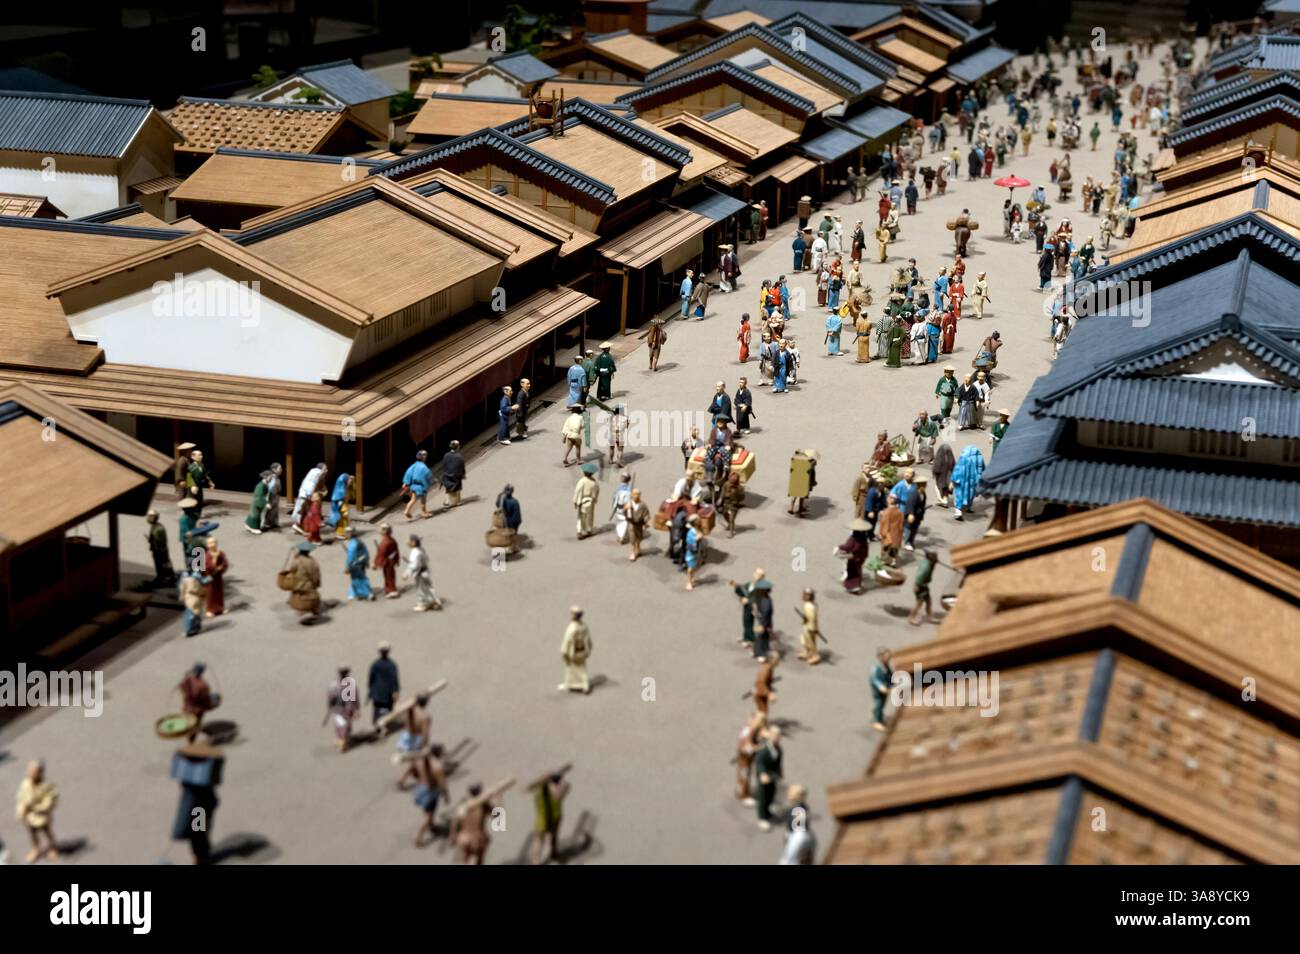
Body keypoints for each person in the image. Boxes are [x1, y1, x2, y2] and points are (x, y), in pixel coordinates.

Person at [16, 760, 58, 862]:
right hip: (30, 816)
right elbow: (21, 798)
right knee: (33, 833)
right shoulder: (25, 784)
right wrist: (20, 811)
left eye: (35, 771)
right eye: (30, 771)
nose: (32, 773)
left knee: (47, 832)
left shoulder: (46, 785)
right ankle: (35, 849)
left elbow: (51, 799)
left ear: (40, 772)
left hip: (42, 815)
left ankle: (52, 847)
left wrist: (41, 807)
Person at [411, 745, 448, 848]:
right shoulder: (438, 767)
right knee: (427, 816)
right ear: (439, 754)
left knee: (428, 812)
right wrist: (446, 796)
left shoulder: (421, 761)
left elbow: (413, 771)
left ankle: (431, 825)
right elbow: (442, 784)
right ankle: (418, 837)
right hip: (431, 793)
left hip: (420, 788)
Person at [530, 771, 571, 865]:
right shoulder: (561, 789)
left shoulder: (541, 791)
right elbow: (564, 790)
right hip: (555, 817)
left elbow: (534, 786)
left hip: (542, 818)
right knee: (553, 837)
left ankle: (536, 861)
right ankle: (554, 853)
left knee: (538, 841)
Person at [754, 725, 783, 831]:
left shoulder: (778, 748)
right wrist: (762, 774)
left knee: (771, 794)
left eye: (779, 736)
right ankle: (762, 817)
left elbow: (778, 762)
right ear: (770, 735)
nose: (778, 738)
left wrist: (779, 773)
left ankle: (768, 812)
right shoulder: (764, 750)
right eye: (776, 735)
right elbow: (760, 762)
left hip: (773, 776)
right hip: (764, 778)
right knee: (763, 797)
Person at [284, 542, 322, 620]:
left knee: (299, 596)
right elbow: (316, 572)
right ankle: (314, 610)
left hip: (299, 582)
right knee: (312, 597)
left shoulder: (297, 561)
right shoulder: (313, 561)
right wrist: (316, 582)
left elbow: (292, 569)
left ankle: (302, 609)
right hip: (310, 583)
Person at [404, 534, 442, 611]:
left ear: (413, 542)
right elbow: (426, 559)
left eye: (409, 541)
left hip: (420, 574)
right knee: (429, 587)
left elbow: (414, 565)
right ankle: (434, 601)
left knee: (421, 589)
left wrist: (407, 573)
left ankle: (424, 604)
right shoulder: (421, 549)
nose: (407, 542)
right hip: (425, 571)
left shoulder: (414, 552)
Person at [559, 606, 592, 693]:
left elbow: (567, 640)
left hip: (573, 652)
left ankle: (585, 685)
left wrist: (564, 652)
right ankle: (570, 684)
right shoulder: (584, 626)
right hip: (582, 651)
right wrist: (589, 650)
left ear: (574, 615)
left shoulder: (572, 628)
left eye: (571, 614)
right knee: (577, 669)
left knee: (576, 668)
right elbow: (588, 639)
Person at [780, 785, 816, 865]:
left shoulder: (801, 806)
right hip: (796, 836)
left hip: (797, 836)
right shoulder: (798, 807)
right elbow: (798, 827)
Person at [736, 711, 766, 803]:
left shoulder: (750, 729)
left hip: (745, 756)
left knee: (744, 775)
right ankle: (744, 796)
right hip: (745, 757)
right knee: (745, 775)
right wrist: (759, 748)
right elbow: (747, 747)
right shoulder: (750, 731)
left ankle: (742, 792)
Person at [327, 667, 359, 754]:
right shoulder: (351, 684)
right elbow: (355, 698)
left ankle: (341, 740)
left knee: (340, 725)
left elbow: (330, 697)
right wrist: (356, 709)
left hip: (339, 709)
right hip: (348, 709)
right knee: (345, 726)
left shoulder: (334, 684)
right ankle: (342, 741)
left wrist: (330, 705)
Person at [368, 642, 399, 727]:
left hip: (377, 694)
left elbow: (371, 680)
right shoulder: (392, 665)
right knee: (389, 711)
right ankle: (386, 725)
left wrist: (370, 693)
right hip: (388, 694)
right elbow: (395, 680)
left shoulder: (375, 664)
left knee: (377, 711)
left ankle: (377, 726)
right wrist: (396, 692)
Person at [951, 444, 986, 520]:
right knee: (971, 494)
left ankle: (958, 511)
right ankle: (968, 507)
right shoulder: (979, 457)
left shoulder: (963, 457)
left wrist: (953, 480)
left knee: (959, 494)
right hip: (973, 480)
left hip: (962, 480)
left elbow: (957, 469)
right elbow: (983, 469)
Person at [292, 462, 327, 528]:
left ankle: (303, 526)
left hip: (306, 494)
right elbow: (311, 484)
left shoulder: (314, 472)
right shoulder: (317, 473)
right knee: (306, 511)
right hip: (306, 494)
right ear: (321, 469)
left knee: (306, 512)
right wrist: (310, 494)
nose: (326, 470)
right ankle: (298, 525)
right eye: (325, 469)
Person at [342, 527, 374, 601]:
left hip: (356, 564)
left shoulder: (353, 544)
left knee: (360, 578)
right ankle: (354, 592)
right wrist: (366, 561)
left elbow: (351, 556)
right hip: (361, 562)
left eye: (346, 533)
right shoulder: (358, 541)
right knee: (356, 579)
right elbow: (365, 552)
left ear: (350, 534)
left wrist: (347, 567)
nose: (345, 535)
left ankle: (368, 594)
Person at [145, 510, 175, 587]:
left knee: (164, 565)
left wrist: (155, 547)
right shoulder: (155, 526)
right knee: (159, 565)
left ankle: (168, 580)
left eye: (149, 516)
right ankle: (161, 578)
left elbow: (159, 541)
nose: (148, 518)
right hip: (157, 550)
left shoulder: (158, 528)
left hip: (160, 551)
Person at [908, 550, 938, 625]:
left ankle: (929, 617)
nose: (937, 557)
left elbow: (931, 569)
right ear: (931, 557)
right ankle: (911, 618)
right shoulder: (926, 567)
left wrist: (934, 563)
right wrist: (916, 585)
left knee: (928, 602)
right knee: (919, 604)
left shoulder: (927, 561)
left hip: (924, 586)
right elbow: (919, 576)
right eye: (935, 556)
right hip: (920, 586)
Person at [401, 452, 432, 521]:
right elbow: (428, 476)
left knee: (413, 499)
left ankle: (407, 510)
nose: (426, 456)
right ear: (424, 458)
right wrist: (430, 483)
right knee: (423, 500)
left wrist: (405, 482)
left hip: (413, 485)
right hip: (421, 486)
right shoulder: (424, 467)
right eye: (425, 455)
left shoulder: (414, 465)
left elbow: (408, 473)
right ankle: (424, 513)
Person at [202, 537, 228, 617]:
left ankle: (220, 608)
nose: (212, 544)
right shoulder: (206, 555)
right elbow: (207, 566)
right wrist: (215, 559)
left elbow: (225, 562)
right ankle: (210, 610)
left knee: (219, 593)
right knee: (211, 594)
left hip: (218, 577)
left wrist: (221, 567)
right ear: (207, 545)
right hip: (210, 578)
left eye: (213, 542)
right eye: (210, 543)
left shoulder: (221, 553)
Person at [373, 523, 401, 598]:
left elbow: (381, 554)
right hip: (391, 561)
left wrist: (376, 564)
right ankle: (388, 588)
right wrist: (397, 560)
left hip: (387, 562)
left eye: (382, 529)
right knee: (388, 576)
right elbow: (396, 551)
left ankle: (392, 590)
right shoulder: (391, 539)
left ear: (384, 531)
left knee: (389, 576)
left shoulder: (385, 542)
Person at [178, 570, 208, 637]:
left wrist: (181, 597)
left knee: (193, 613)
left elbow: (182, 588)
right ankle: (193, 628)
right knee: (195, 613)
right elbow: (204, 584)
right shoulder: (196, 576)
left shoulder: (187, 577)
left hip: (193, 596)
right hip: (195, 596)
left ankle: (192, 629)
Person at [796, 588, 822, 665]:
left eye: (805, 595)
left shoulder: (810, 606)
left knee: (811, 643)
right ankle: (807, 652)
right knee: (805, 639)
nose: (803, 596)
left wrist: (806, 620)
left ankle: (815, 656)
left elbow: (812, 618)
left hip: (810, 627)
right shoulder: (808, 604)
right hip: (807, 626)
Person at [751, 578, 775, 661]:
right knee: (762, 636)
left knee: (763, 636)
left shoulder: (763, 600)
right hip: (764, 620)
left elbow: (766, 613)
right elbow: (764, 612)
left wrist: (764, 625)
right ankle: (760, 651)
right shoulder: (763, 599)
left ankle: (762, 651)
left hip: (764, 620)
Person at [788, 448, 817, 516]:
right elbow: (811, 471)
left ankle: (791, 509)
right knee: (802, 495)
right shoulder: (809, 461)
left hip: (796, 480)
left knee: (795, 494)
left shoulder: (795, 460)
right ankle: (800, 509)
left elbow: (792, 470)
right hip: (804, 481)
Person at [870, 648, 893, 730]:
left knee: (882, 704)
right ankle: (877, 722)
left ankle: (877, 714)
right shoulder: (876, 668)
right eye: (887, 657)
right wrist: (880, 686)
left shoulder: (887, 666)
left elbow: (890, 675)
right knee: (879, 703)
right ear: (880, 657)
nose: (889, 659)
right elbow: (874, 679)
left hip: (885, 689)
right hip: (878, 690)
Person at [878, 494, 903, 566]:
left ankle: (886, 561)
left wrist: (882, 533)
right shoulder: (900, 512)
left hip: (888, 534)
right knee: (894, 549)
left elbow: (885, 525)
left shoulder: (886, 512)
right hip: (897, 534)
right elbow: (901, 525)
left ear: (889, 501)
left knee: (885, 549)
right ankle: (893, 561)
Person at [903, 478, 928, 551]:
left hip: (918, 516)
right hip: (912, 515)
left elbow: (922, 505)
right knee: (909, 529)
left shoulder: (923, 494)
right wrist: (910, 514)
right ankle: (907, 542)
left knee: (914, 530)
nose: (925, 486)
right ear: (919, 485)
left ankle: (911, 542)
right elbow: (910, 504)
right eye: (924, 485)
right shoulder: (914, 494)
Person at [440, 441, 466, 508]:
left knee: (447, 488)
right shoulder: (459, 457)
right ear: (457, 447)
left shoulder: (446, 455)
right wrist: (463, 475)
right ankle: (458, 501)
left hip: (447, 476)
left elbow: (443, 466)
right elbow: (461, 468)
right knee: (458, 486)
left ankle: (447, 501)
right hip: (456, 476)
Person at [932, 443, 956, 508]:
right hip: (948, 476)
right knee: (945, 489)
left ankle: (942, 501)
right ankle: (945, 501)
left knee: (938, 487)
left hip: (941, 476)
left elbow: (937, 466)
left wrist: (935, 473)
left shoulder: (940, 455)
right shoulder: (951, 457)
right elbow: (954, 466)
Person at [683, 514, 703, 591]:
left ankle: (692, 578)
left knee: (695, 566)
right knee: (690, 568)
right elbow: (689, 541)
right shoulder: (690, 532)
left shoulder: (698, 529)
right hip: (691, 552)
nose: (699, 521)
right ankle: (689, 582)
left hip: (697, 551)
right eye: (698, 520)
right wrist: (697, 538)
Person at [262, 462, 283, 530]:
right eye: (280, 468)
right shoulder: (272, 478)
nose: (281, 469)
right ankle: (266, 524)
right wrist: (267, 500)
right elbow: (269, 488)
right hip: (271, 496)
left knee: (275, 510)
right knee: (270, 510)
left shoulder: (277, 478)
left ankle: (274, 523)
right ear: (274, 469)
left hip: (276, 496)